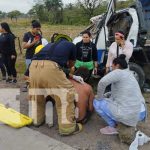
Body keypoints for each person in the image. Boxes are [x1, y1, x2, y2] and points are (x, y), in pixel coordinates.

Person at [29, 34, 83, 135]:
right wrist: (68, 70)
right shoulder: (71, 45)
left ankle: (37, 120)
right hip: (51, 68)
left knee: (38, 96)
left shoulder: (49, 45)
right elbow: (71, 64)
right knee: (65, 95)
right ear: (69, 40)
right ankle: (67, 128)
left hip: (33, 67)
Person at [94, 54, 146, 135]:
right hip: (140, 112)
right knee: (108, 99)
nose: (111, 67)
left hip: (130, 113)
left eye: (112, 65)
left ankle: (113, 126)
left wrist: (99, 97)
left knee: (97, 102)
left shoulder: (118, 72)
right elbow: (122, 91)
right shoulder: (129, 73)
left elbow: (102, 82)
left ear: (117, 65)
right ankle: (124, 121)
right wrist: (107, 94)